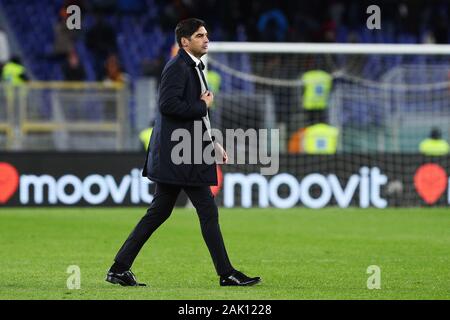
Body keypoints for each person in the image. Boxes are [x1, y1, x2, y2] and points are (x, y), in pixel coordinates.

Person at [106, 18, 261, 287]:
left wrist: (213, 141)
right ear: (184, 41)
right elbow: (168, 105)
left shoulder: (193, 67)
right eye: (200, 35)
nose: (206, 38)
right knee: (206, 210)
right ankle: (226, 274)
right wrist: (203, 106)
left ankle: (119, 268)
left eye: (206, 34)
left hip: (182, 152)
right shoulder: (178, 67)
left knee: (159, 212)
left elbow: (192, 115)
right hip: (180, 154)